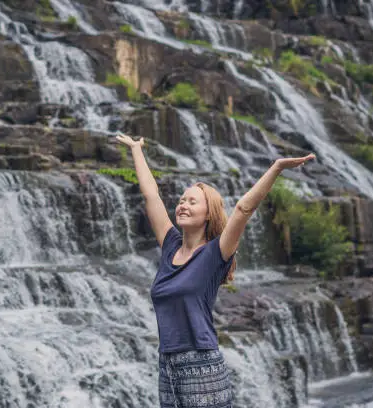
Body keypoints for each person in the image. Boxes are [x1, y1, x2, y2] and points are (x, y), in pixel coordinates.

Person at [116, 132, 315, 408]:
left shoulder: (215, 253)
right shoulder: (170, 245)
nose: (183, 205)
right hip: (168, 364)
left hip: (201, 363)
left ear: (208, 214)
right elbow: (151, 195)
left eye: (192, 202)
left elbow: (244, 208)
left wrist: (277, 168)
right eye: (182, 200)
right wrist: (137, 149)